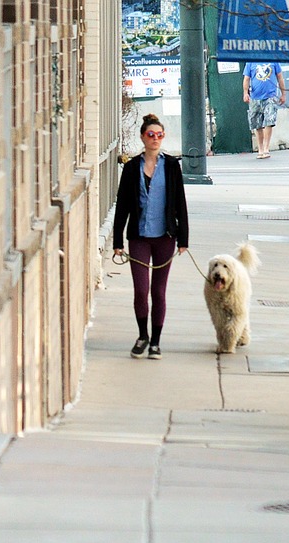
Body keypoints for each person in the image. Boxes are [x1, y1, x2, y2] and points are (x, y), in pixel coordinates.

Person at [112, 114, 190, 360]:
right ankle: (142, 335)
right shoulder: (132, 168)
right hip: (138, 237)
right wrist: (117, 241)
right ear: (143, 137)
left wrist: (183, 239)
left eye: (160, 135)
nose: (155, 139)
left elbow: (180, 202)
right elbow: (122, 205)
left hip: (165, 237)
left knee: (158, 291)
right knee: (140, 289)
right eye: (151, 135)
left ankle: (156, 342)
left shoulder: (172, 166)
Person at [243, 61, 286, 159]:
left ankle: (266, 148)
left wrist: (283, 94)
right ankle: (260, 148)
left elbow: (280, 77)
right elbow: (246, 78)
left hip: (270, 96)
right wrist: (245, 93)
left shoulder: (273, 61)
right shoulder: (250, 62)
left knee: (269, 121)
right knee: (257, 124)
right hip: (255, 97)